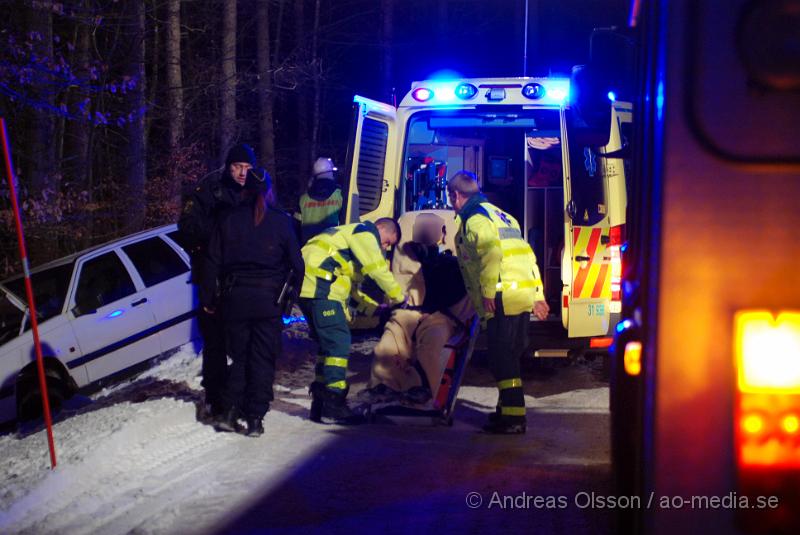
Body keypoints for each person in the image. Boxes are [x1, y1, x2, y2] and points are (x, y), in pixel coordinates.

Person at [200, 167, 304, 436]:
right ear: (268, 191)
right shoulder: (281, 221)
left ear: (244, 191)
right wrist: (290, 298)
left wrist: (209, 298)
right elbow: (297, 265)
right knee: (262, 358)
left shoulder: (228, 220)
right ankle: (255, 418)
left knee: (240, 356)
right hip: (268, 300)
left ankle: (231, 409)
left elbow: (212, 261)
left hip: (235, 300)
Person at [447, 170, 550, 435]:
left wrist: (488, 292)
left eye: (451, 197)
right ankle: (505, 412)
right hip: (520, 294)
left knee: (501, 359)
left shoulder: (476, 220)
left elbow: (491, 254)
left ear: (456, 195)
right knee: (510, 356)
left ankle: (514, 418)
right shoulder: (503, 215)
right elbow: (528, 256)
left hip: (503, 296)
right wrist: (538, 295)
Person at [299, 218, 406, 424]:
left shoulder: (346, 241)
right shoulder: (365, 232)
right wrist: (399, 297)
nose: (385, 247)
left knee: (327, 347)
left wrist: (376, 310)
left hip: (310, 289)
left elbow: (354, 293)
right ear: (380, 228)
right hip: (321, 289)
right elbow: (377, 270)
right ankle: (334, 404)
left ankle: (321, 404)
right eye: (387, 241)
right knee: (339, 342)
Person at [362, 213, 474, 406]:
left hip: (439, 316)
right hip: (408, 312)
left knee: (430, 346)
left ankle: (422, 387)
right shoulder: (408, 255)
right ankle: (383, 384)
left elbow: (459, 293)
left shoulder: (452, 262)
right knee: (387, 344)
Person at [178, 143, 256, 419]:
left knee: (244, 339)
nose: (242, 173)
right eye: (238, 167)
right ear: (228, 166)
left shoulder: (255, 189)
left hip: (245, 277)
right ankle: (215, 395)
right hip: (213, 275)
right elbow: (186, 228)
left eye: (247, 168)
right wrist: (220, 230)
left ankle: (241, 394)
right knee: (214, 340)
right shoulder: (208, 190)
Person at [298, 157, 344, 244]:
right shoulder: (340, 195)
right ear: (331, 173)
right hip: (332, 247)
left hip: (308, 248)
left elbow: (296, 225)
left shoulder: (303, 199)